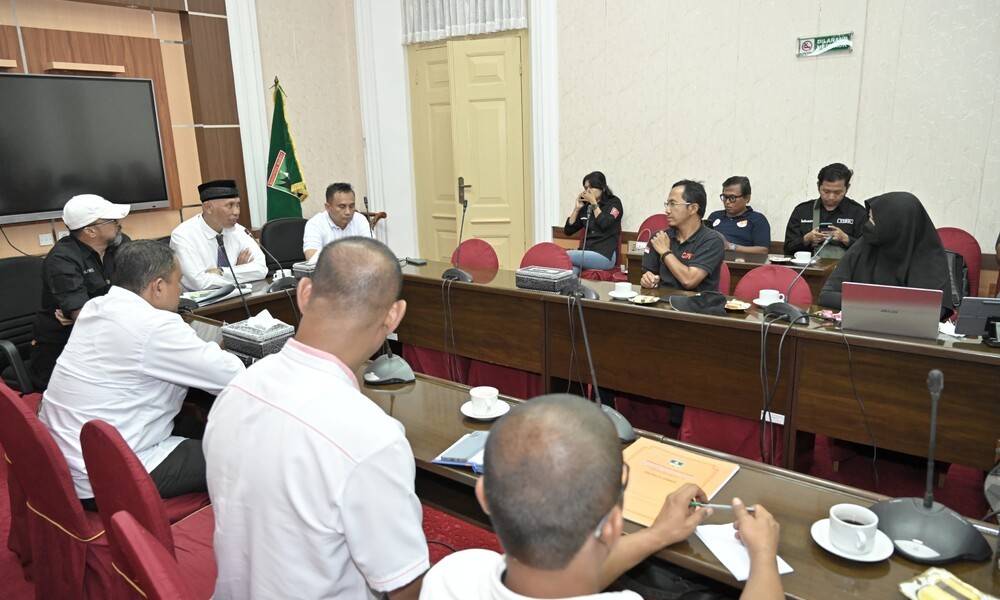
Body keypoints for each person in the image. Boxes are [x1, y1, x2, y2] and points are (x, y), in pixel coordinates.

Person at [205, 237, 427, 600]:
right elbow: (404, 585)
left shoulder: (237, 388)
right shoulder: (374, 439)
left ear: (304, 292)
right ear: (393, 316)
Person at [420, 394, 784, 600]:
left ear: (484, 495)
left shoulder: (451, 576)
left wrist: (658, 534)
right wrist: (764, 557)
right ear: (612, 526)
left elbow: (562, 582)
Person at [38, 240, 245, 507]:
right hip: (106, 476)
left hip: (64, 459)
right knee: (248, 455)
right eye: (178, 282)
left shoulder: (95, 307)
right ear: (158, 287)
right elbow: (233, 376)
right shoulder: (155, 326)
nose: (180, 289)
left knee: (199, 425)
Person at [28, 194, 131, 389]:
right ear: (90, 231)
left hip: (108, 339)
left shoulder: (121, 244)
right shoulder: (62, 259)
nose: (119, 224)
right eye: (112, 220)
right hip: (64, 350)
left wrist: (94, 311)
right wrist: (88, 314)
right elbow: (82, 316)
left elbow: (140, 291)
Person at [818, 192, 954, 318]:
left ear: (895, 225)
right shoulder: (865, 244)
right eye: (869, 218)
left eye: (874, 220)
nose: (868, 225)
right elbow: (826, 295)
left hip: (908, 332)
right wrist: (884, 306)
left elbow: (937, 309)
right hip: (861, 325)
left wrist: (867, 303)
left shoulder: (930, 257)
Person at [170, 179, 267, 291]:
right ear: (208, 208)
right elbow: (201, 283)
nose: (236, 212)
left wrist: (222, 272)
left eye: (237, 205)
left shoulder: (240, 231)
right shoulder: (183, 236)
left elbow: (261, 269)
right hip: (202, 301)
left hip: (239, 295)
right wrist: (240, 271)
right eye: (229, 205)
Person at [640, 180, 725, 292]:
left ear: (693, 208)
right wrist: (648, 280)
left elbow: (689, 281)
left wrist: (665, 252)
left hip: (696, 302)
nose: (667, 210)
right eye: (667, 204)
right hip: (662, 301)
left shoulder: (712, 240)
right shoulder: (659, 237)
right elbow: (649, 275)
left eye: (673, 204)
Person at [783, 163, 867, 259]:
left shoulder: (858, 212)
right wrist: (807, 239)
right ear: (818, 186)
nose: (831, 197)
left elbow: (868, 251)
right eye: (826, 191)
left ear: (847, 188)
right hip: (808, 267)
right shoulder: (802, 210)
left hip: (845, 267)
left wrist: (846, 239)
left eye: (837, 192)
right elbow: (788, 249)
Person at [564, 171, 624, 275]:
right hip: (585, 253)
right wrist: (577, 209)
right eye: (585, 188)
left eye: (591, 187)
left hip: (605, 255)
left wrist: (594, 203)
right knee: (570, 273)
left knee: (564, 256)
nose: (588, 191)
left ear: (603, 188)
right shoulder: (586, 206)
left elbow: (604, 224)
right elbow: (568, 231)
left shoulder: (614, 203)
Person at [302, 182, 372, 260]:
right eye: (342, 206)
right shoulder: (315, 224)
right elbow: (311, 258)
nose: (348, 212)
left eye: (351, 206)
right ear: (328, 207)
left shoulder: (360, 219)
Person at [706, 176, 771, 254]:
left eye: (732, 198)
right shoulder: (714, 216)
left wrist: (731, 246)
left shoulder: (757, 219)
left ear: (747, 198)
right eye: (725, 197)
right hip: (710, 258)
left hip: (739, 260)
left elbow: (763, 250)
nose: (727, 202)